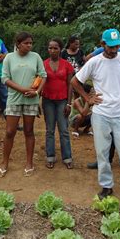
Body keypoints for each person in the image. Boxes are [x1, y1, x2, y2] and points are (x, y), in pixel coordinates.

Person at [71, 28, 120, 207]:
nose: (115, 50)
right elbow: (75, 81)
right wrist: (88, 99)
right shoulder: (94, 62)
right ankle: (106, 186)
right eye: (111, 46)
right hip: (101, 115)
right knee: (102, 152)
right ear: (102, 44)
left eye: (117, 46)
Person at [0, 31, 46, 177]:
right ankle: (5, 162)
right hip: (14, 99)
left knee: (29, 131)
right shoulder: (9, 58)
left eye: (31, 43)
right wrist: (22, 89)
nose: (29, 46)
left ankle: (29, 162)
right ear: (18, 44)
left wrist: (37, 92)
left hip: (31, 99)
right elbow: (5, 78)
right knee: (9, 132)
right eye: (26, 43)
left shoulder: (36, 57)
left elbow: (43, 75)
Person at [41, 38, 74, 169]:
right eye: (50, 48)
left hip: (62, 100)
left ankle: (67, 157)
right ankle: (50, 156)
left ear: (61, 49)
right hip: (48, 99)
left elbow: (70, 85)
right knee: (49, 130)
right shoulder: (43, 64)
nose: (53, 50)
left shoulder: (67, 65)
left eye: (55, 48)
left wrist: (69, 103)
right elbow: (39, 82)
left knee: (64, 130)